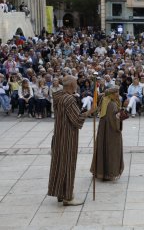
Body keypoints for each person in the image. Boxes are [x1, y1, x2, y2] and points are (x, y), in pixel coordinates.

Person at [47, 75, 95, 206]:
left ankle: (60, 193)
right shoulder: (69, 99)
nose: (77, 86)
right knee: (68, 164)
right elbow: (77, 119)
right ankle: (68, 197)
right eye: (75, 84)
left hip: (58, 135)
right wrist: (90, 111)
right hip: (67, 137)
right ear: (71, 85)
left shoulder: (58, 96)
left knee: (58, 164)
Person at [90, 86, 124, 181]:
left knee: (102, 148)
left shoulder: (105, 101)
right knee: (112, 151)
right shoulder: (112, 104)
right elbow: (114, 119)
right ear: (111, 94)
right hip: (112, 132)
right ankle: (111, 172)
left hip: (104, 130)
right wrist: (122, 114)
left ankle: (100, 172)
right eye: (116, 93)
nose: (118, 94)